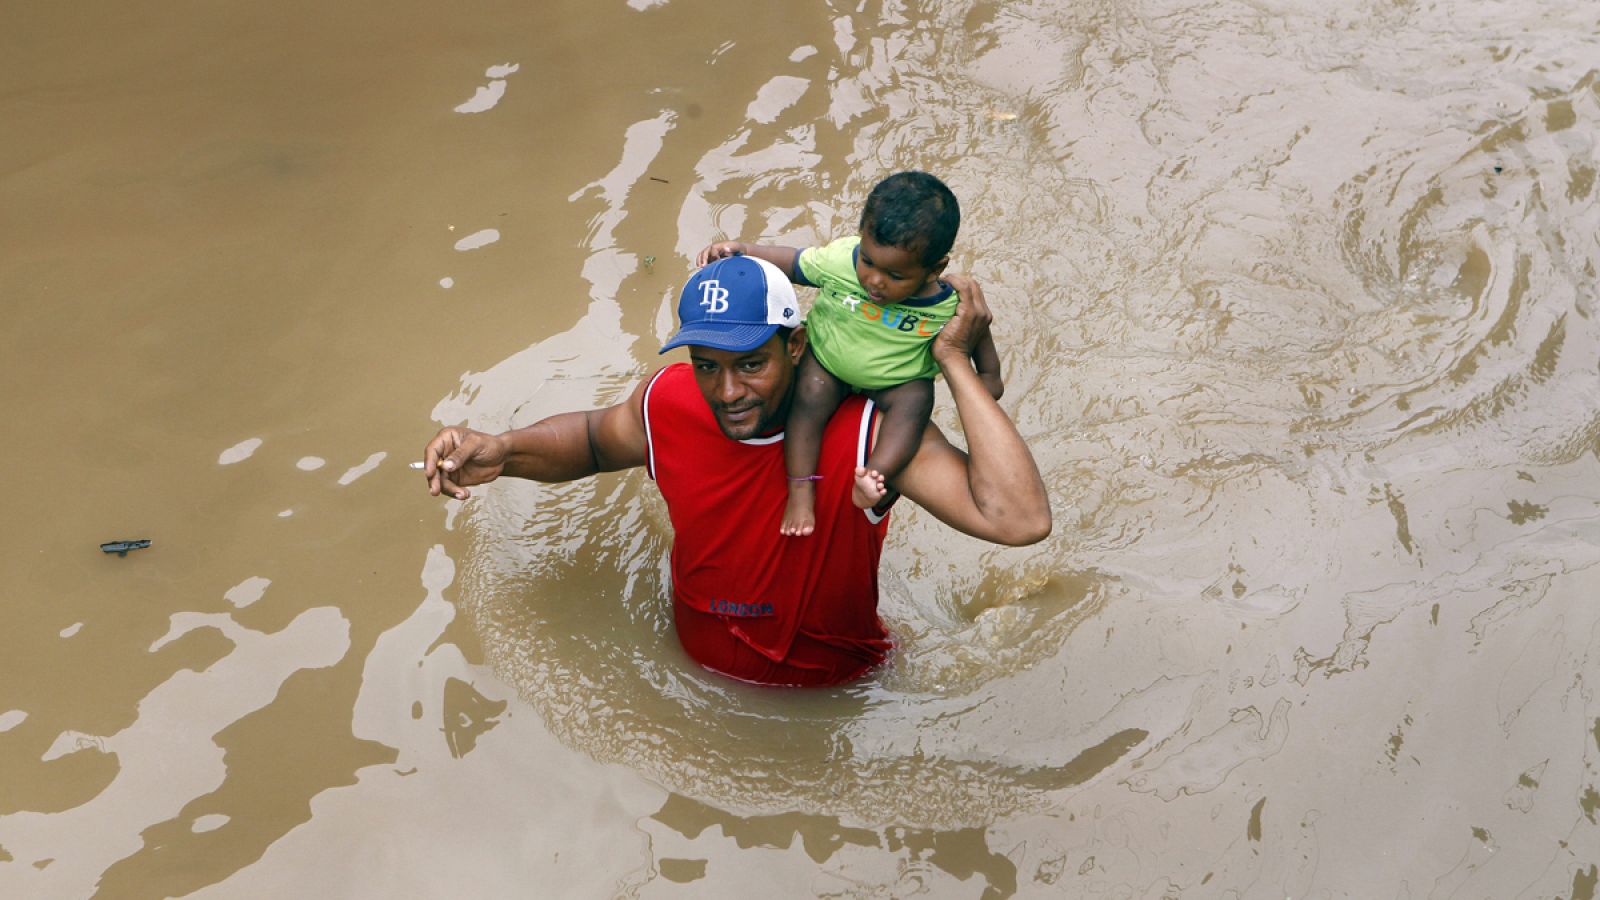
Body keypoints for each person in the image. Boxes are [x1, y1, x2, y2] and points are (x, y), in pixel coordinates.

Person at [422, 254, 1049, 687]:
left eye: (751, 364)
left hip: (839, 693)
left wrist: (954, 362)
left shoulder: (868, 433)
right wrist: (503, 450)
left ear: (795, 345)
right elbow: (591, 440)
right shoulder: (668, 402)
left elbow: (1019, 519)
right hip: (690, 664)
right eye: (707, 365)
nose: (726, 392)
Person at [695, 171, 1003, 538]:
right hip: (829, 363)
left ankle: (874, 477)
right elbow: (793, 263)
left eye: (894, 274)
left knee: (917, 402)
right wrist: (743, 252)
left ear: (935, 268)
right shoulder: (841, 261)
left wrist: (983, 381)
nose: (874, 281)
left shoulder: (951, 305)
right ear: (861, 238)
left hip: (897, 381)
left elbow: (984, 355)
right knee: (807, 399)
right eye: (869, 262)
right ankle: (800, 489)